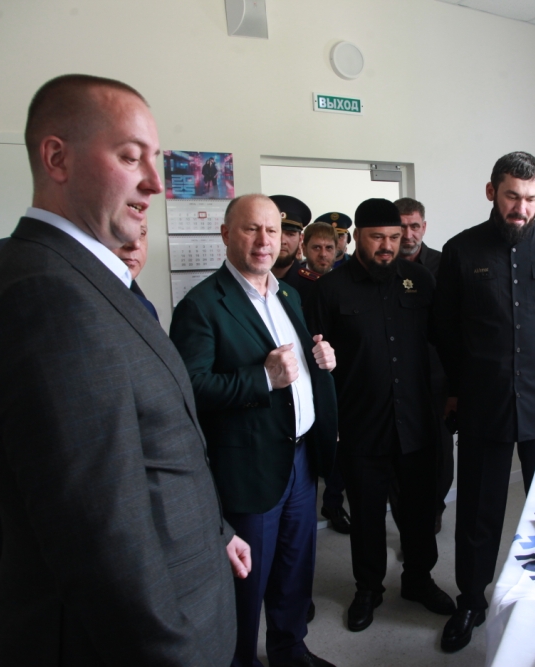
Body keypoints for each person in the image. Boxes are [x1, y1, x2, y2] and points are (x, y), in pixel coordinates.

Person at [0, 74, 246, 665]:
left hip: (187, 587)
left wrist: (215, 531)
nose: (154, 182)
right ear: (56, 158)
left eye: (154, 159)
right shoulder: (45, 297)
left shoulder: (86, 279)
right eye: (130, 156)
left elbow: (155, 450)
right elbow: (98, 534)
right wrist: (173, 653)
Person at [0, 221, 156, 578]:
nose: (132, 244)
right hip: (26, 486)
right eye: (118, 229)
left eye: (141, 232)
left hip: (118, 492)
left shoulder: (139, 305)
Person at [169, 193, 339, 667]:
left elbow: (297, 365)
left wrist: (321, 360)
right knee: (247, 580)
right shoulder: (202, 305)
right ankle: (240, 659)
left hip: (300, 458)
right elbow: (189, 389)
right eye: (251, 229)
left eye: (273, 230)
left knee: (295, 568)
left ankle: (290, 650)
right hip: (249, 466)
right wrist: (262, 378)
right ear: (226, 234)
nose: (265, 240)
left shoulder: (288, 295)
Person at [434, 151, 535, 652]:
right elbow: (445, 327)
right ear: (491, 192)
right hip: (485, 403)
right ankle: (471, 601)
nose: (520, 208)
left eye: (530, 199)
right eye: (511, 197)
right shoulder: (460, 250)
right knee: (478, 511)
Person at [309, 198, 456, 633]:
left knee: (419, 511)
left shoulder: (420, 281)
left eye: (394, 237)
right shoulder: (330, 289)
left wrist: (453, 396)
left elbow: (444, 343)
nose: (388, 245)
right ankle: (368, 588)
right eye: (377, 238)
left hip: (416, 421)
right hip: (362, 423)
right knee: (367, 515)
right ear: (357, 238)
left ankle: (418, 579)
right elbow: (316, 362)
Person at [394, 196, 452, 533]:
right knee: (398, 455)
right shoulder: (381, 267)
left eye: (414, 226)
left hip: (437, 379)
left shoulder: (445, 266)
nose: (408, 234)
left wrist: (456, 388)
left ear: (424, 227)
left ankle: (434, 509)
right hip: (395, 379)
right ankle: (405, 521)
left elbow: (459, 329)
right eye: (401, 227)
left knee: (440, 454)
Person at [292, 222, 338, 305]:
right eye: (317, 247)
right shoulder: (292, 284)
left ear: (336, 251)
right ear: (304, 249)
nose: (323, 254)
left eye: (329, 248)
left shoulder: (345, 284)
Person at [270, 194, 311, 287]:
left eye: (290, 234)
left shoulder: (314, 286)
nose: (282, 241)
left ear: (301, 238)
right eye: (274, 232)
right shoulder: (248, 279)